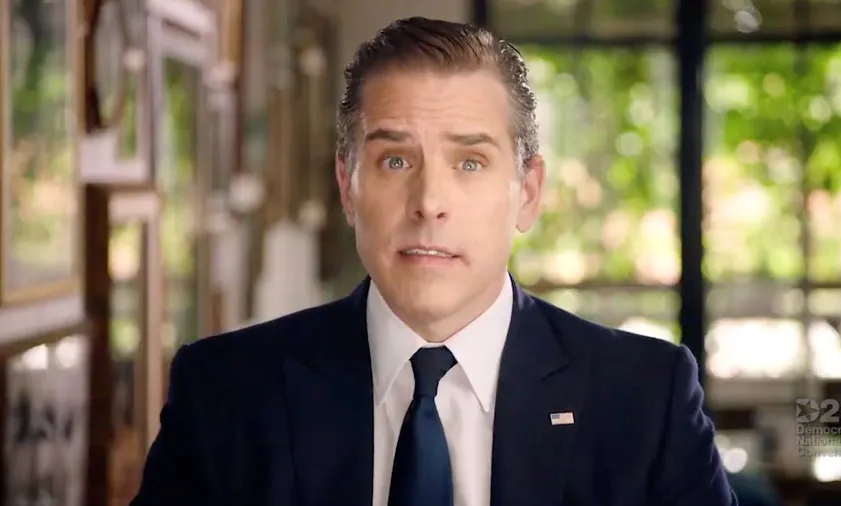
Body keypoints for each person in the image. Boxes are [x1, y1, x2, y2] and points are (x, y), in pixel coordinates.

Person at [131, 17, 737, 506]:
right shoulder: (225, 392)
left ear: (528, 193)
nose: (429, 202)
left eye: (470, 163)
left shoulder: (644, 399)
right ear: (347, 187)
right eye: (395, 161)